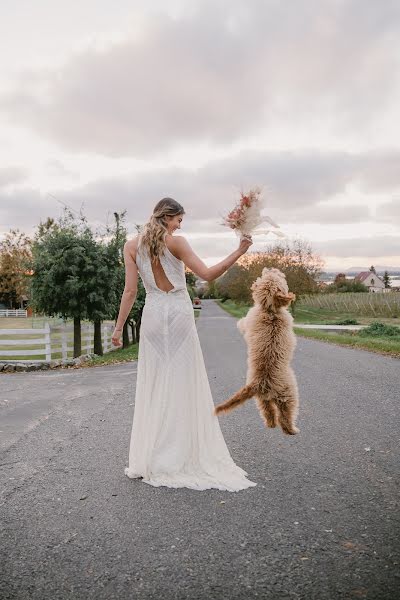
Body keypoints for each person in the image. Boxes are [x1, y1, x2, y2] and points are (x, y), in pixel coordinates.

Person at [112, 198, 257, 492]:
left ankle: (152, 455)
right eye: (178, 219)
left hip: (152, 315)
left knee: (155, 382)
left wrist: (118, 329)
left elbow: (129, 292)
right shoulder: (176, 242)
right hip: (177, 312)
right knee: (183, 381)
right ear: (168, 217)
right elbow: (208, 274)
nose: (180, 225)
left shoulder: (130, 246)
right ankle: (177, 453)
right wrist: (240, 251)